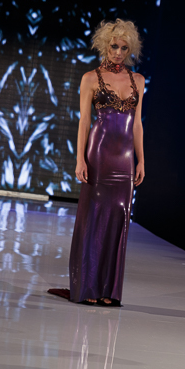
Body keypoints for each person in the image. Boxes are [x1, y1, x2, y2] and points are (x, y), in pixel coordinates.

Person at [68, 18, 145, 306]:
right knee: (95, 218)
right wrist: (80, 158)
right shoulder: (90, 78)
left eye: (124, 48)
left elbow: (137, 124)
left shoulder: (138, 81)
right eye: (114, 46)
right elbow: (84, 121)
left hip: (125, 159)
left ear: (130, 49)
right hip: (99, 154)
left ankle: (109, 290)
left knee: (119, 219)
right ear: (104, 45)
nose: (118, 52)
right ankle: (88, 287)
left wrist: (141, 160)